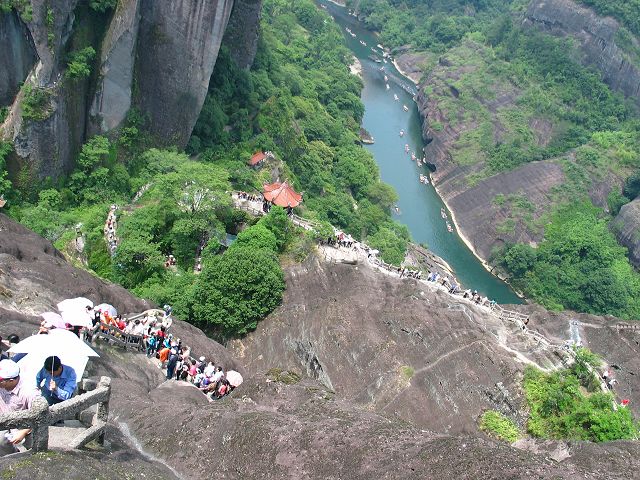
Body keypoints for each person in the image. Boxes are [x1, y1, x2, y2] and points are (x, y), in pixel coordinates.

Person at [0, 360, 42, 452]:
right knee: (2, 441)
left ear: (11, 381)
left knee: (35, 451)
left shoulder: (29, 392)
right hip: (4, 422)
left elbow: (40, 416)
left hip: (25, 426)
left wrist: (23, 432)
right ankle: (11, 456)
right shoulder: (2, 385)